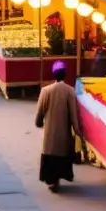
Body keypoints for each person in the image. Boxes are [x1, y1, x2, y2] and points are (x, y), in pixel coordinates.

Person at [34, 61, 83, 192]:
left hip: (49, 132)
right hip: (64, 133)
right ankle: (59, 178)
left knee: (50, 154)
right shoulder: (70, 91)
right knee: (62, 155)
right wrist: (77, 131)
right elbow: (73, 114)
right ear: (65, 74)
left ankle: (51, 181)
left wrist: (38, 122)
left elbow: (40, 111)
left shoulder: (46, 90)